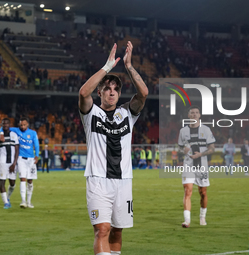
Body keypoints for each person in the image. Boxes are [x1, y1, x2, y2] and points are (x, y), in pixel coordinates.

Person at [79, 41, 148, 255]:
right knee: (102, 230)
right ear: (100, 92)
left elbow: (143, 93)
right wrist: (107, 67)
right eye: (107, 88)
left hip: (123, 180)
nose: (112, 92)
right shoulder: (91, 113)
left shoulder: (127, 113)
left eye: (116, 89)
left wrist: (129, 66)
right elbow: (83, 93)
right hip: (98, 180)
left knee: (117, 231)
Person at [178, 106, 215, 228]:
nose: (194, 114)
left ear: (199, 115)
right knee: (187, 191)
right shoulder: (183, 131)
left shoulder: (206, 129)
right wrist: (183, 150)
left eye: (196, 113)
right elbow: (179, 148)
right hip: (188, 165)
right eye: (192, 113)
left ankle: (202, 217)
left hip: (202, 166)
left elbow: (212, 148)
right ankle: (187, 220)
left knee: (203, 192)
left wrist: (201, 154)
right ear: (188, 116)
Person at [0, 117, 39, 209]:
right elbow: (3, 127)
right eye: (21, 125)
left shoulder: (33, 133)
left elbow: (36, 145)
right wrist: (1, 133)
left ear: (27, 124)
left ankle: (29, 201)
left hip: (31, 160)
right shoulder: (16, 130)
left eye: (24, 125)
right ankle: (23, 201)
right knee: (23, 179)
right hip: (21, 159)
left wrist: (37, 156)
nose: (22, 126)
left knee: (30, 181)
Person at [0, 118, 19, 209]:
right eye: (4, 123)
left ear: (9, 124)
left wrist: (14, 163)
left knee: (12, 183)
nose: (6, 125)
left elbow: (16, 150)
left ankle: (8, 198)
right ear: (2, 125)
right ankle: (6, 203)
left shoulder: (14, 135)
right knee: (2, 182)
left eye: (7, 123)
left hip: (12, 163)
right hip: (2, 163)